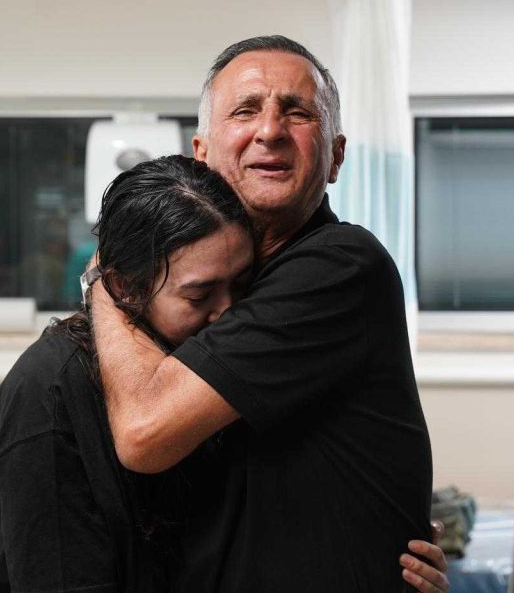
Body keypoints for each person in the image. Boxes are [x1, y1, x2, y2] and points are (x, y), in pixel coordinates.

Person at [0, 155, 448, 592]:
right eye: (199, 296)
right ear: (126, 288)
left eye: (242, 286)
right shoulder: (51, 390)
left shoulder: (199, 371)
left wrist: (375, 544)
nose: (228, 313)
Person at [90, 36, 443, 591]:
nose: (271, 130)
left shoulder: (338, 267)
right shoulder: (210, 286)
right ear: (200, 154)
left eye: (297, 112)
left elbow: (144, 432)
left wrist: (101, 281)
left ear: (336, 157)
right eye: (246, 109)